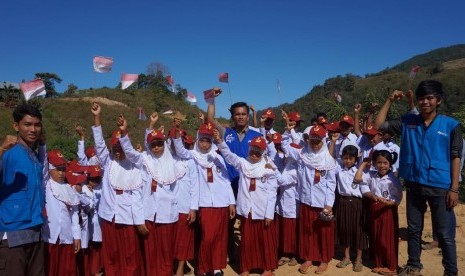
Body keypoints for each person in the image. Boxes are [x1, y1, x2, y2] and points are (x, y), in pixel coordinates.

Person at [375, 80, 462, 276]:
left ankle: (451, 272)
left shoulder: (451, 125)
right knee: (414, 230)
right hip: (414, 184)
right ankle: (414, 266)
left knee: (445, 234)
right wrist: (389, 100)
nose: (424, 102)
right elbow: (379, 125)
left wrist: (454, 188)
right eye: (421, 98)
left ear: (438, 100)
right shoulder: (408, 121)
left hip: (440, 186)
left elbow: (455, 156)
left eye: (429, 98)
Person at [172, 122, 236, 276]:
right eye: (202, 140)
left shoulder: (217, 157)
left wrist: (232, 202)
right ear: (197, 140)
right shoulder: (193, 156)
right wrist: (176, 132)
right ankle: (202, 267)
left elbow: (226, 181)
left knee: (220, 238)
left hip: (222, 203)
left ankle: (216, 267)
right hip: (205, 203)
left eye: (208, 140)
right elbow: (180, 150)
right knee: (208, 237)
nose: (205, 144)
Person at [90, 103, 145, 276]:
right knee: (111, 255)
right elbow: (99, 145)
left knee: (130, 255)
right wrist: (97, 117)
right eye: (115, 147)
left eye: (120, 147)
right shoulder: (108, 162)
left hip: (128, 218)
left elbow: (131, 151)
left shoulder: (135, 165)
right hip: (109, 217)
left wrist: (124, 132)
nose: (118, 151)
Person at [214, 132, 278, 276]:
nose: (254, 154)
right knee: (247, 241)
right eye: (252, 150)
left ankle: (267, 268)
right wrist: (220, 141)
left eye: (258, 151)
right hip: (247, 209)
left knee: (264, 240)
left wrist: (269, 214)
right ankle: (245, 268)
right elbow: (229, 156)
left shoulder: (269, 168)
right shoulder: (243, 163)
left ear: (263, 152)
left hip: (262, 211)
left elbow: (272, 193)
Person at [282, 125, 337, 274]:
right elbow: (285, 147)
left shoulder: (329, 160)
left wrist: (328, 204)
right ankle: (308, 258)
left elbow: (331, 184)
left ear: (323, 141)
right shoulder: (302, 154)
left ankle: (323, 259)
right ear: (308, 140)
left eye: (318, 141)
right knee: (307, 230)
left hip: (322, 202)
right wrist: (287, 131)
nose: (315, 144)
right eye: (313, 140)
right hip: (306, 199)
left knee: (323, 232)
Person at [0, 104, 46, 276]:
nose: (33, 129)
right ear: (15, 126)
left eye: (37, 124)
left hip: (36, 231)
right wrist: (1, 149)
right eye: (27, 124)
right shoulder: (8, 152)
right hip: (13, 235)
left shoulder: (33, 155)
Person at [355, 150, 402, 275]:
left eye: (385, 163)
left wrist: (391, 203)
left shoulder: (393, 179)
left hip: (387, 211)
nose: (382, 166)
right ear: (374, 164)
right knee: (376, 236)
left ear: (390, 164)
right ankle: (379, 263)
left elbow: (398, 197)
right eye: (379, 163)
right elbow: (360, 182)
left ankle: (391, 266)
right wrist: (372, 195)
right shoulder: (371, 175)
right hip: (374, 208)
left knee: (386, 238)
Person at [42, 150, 81, 276]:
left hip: (66, 236)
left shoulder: (69, 189)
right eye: (57, 169)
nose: (61, 173)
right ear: (49, 169)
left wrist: (77, 236)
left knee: (66, 270)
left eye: (63, 170)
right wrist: (42, 146)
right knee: (50, 269)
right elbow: (42, 165)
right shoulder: (46, 185)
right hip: (50, 236)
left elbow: (74, 214)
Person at [334, 145, 368, 273]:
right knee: (344, 229)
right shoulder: (339, 171)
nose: (347, 161)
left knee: (358, 231)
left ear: (355, 159)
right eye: (345, 158)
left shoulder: (359, 172)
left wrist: (362, 164)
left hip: (357, 203)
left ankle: (358, 259)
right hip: (342, 202)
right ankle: (347, 256)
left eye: (351, 158)